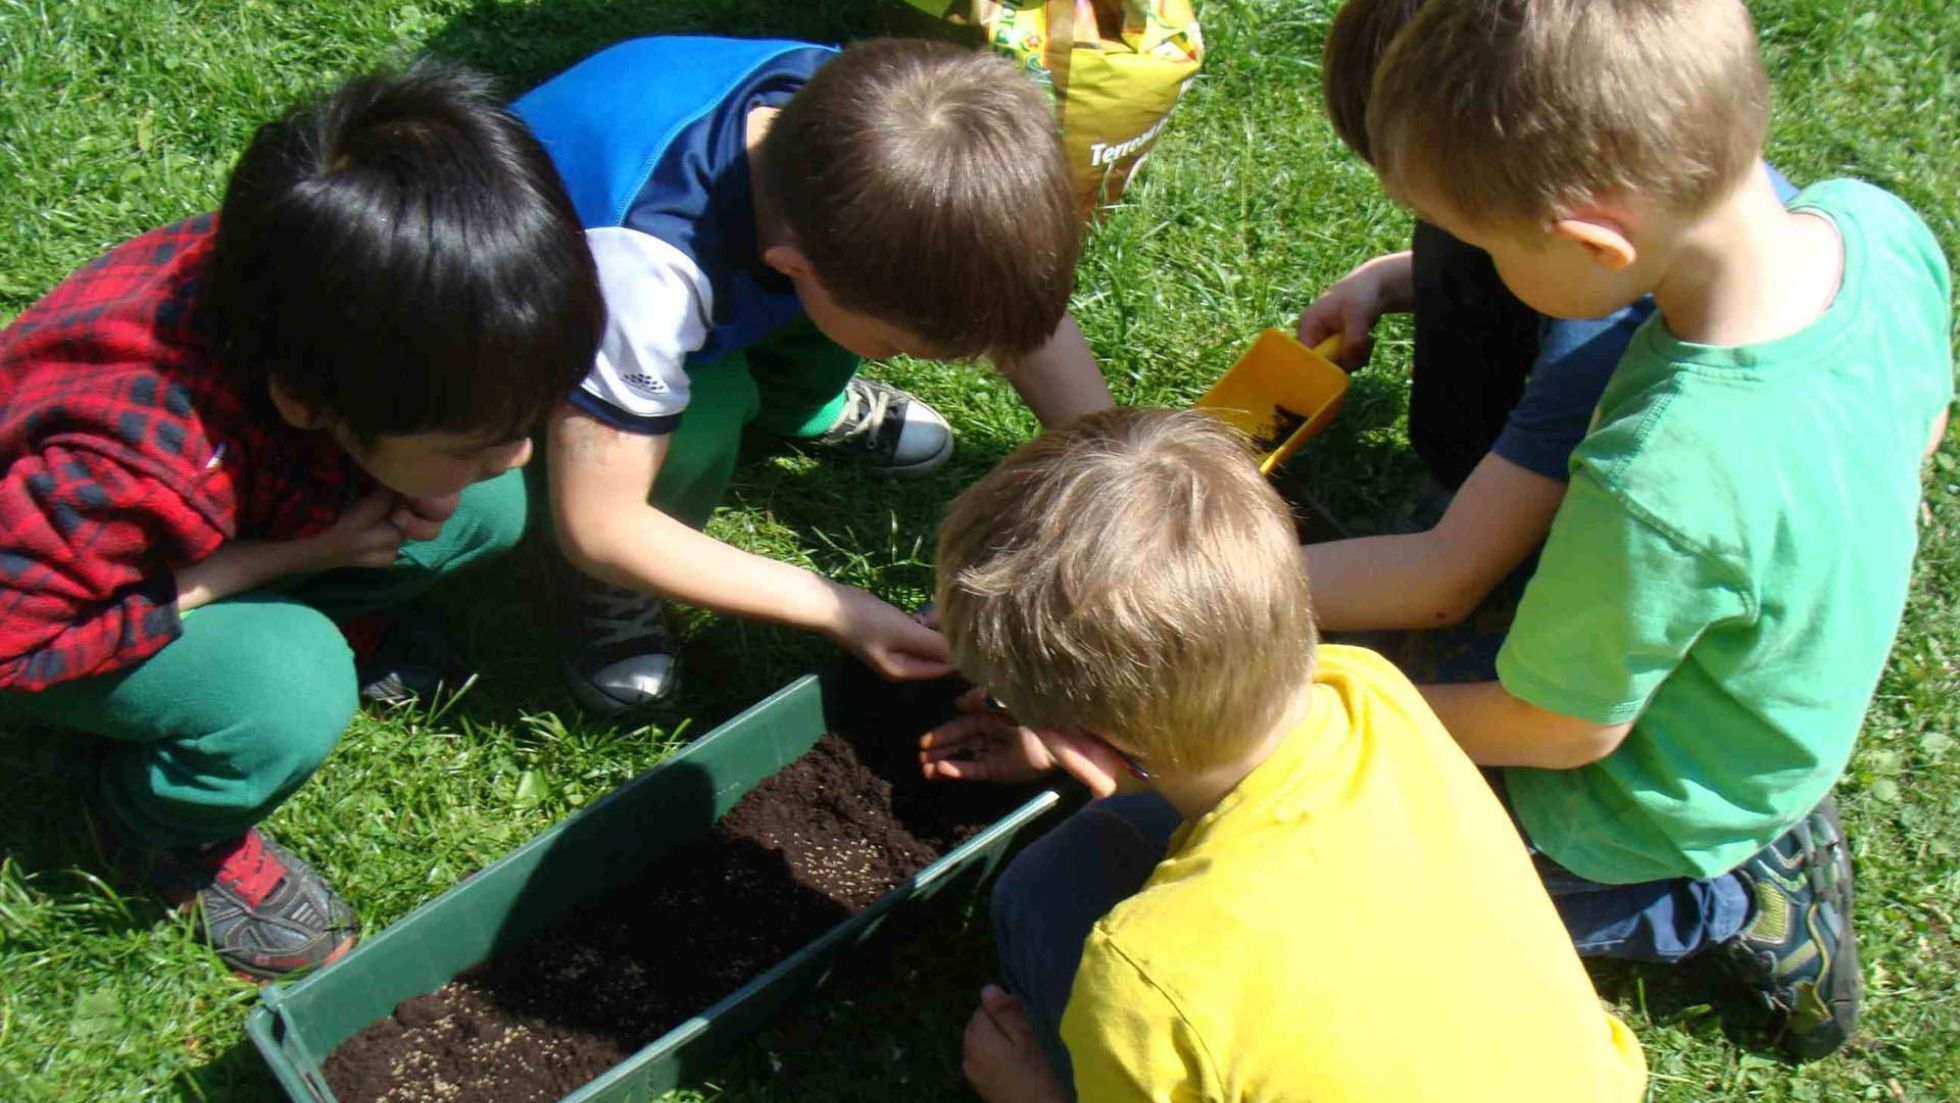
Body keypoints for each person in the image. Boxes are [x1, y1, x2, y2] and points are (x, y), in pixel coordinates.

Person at [1358, 0, 1953, 1058]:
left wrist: (1347, 710)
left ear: (1593, 242)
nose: (1480, 267)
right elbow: (1924, 426)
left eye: (1485, 245)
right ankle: (1756, 804)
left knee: (1368, 880)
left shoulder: (1665, 477)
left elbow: (1561, 729)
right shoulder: (1873, 226)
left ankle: (1720, 900)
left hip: (1633, 803)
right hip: (1768, 708)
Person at [0, 64, 604, 977]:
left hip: (244, 486)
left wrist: (439, 468)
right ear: (308, 400)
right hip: (51, 601)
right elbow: (17, 640)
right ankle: (158, 827)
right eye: (472, 438)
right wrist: (280, 558)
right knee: (290, 684)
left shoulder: (329, 284)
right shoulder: (127, 466)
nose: (519, 450)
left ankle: (334, 602)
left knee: (485, 506)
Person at [920, 408, 1647, 1102]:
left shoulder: (1142, 976)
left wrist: (1032, 1092)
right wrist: (1083, 740)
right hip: (1577, 1081)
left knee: (1032, 902)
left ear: (1090, 751)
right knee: (1067, 867)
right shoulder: (1368, 689)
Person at [514, 37, 1113, 713]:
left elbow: (1006, 304)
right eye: (895, 348)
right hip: (524, 325)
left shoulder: (869, 129)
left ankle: (797, 404)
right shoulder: (645, 273)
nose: (895, 358)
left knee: (849, 308)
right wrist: (834, 607)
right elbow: (601, 525)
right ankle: (616, 586)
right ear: (792, 265)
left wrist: (1108, 464)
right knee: (707, 418)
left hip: (721, 247)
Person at [1296, 0, 1794, 637]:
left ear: (1587, 240)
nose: (1460, 250)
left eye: (1480, 240)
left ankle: (1478, 503)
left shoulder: (1608, 356)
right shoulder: (1705, 186)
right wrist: (1391, 278)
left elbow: (1444, 580)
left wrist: (1206, 581)